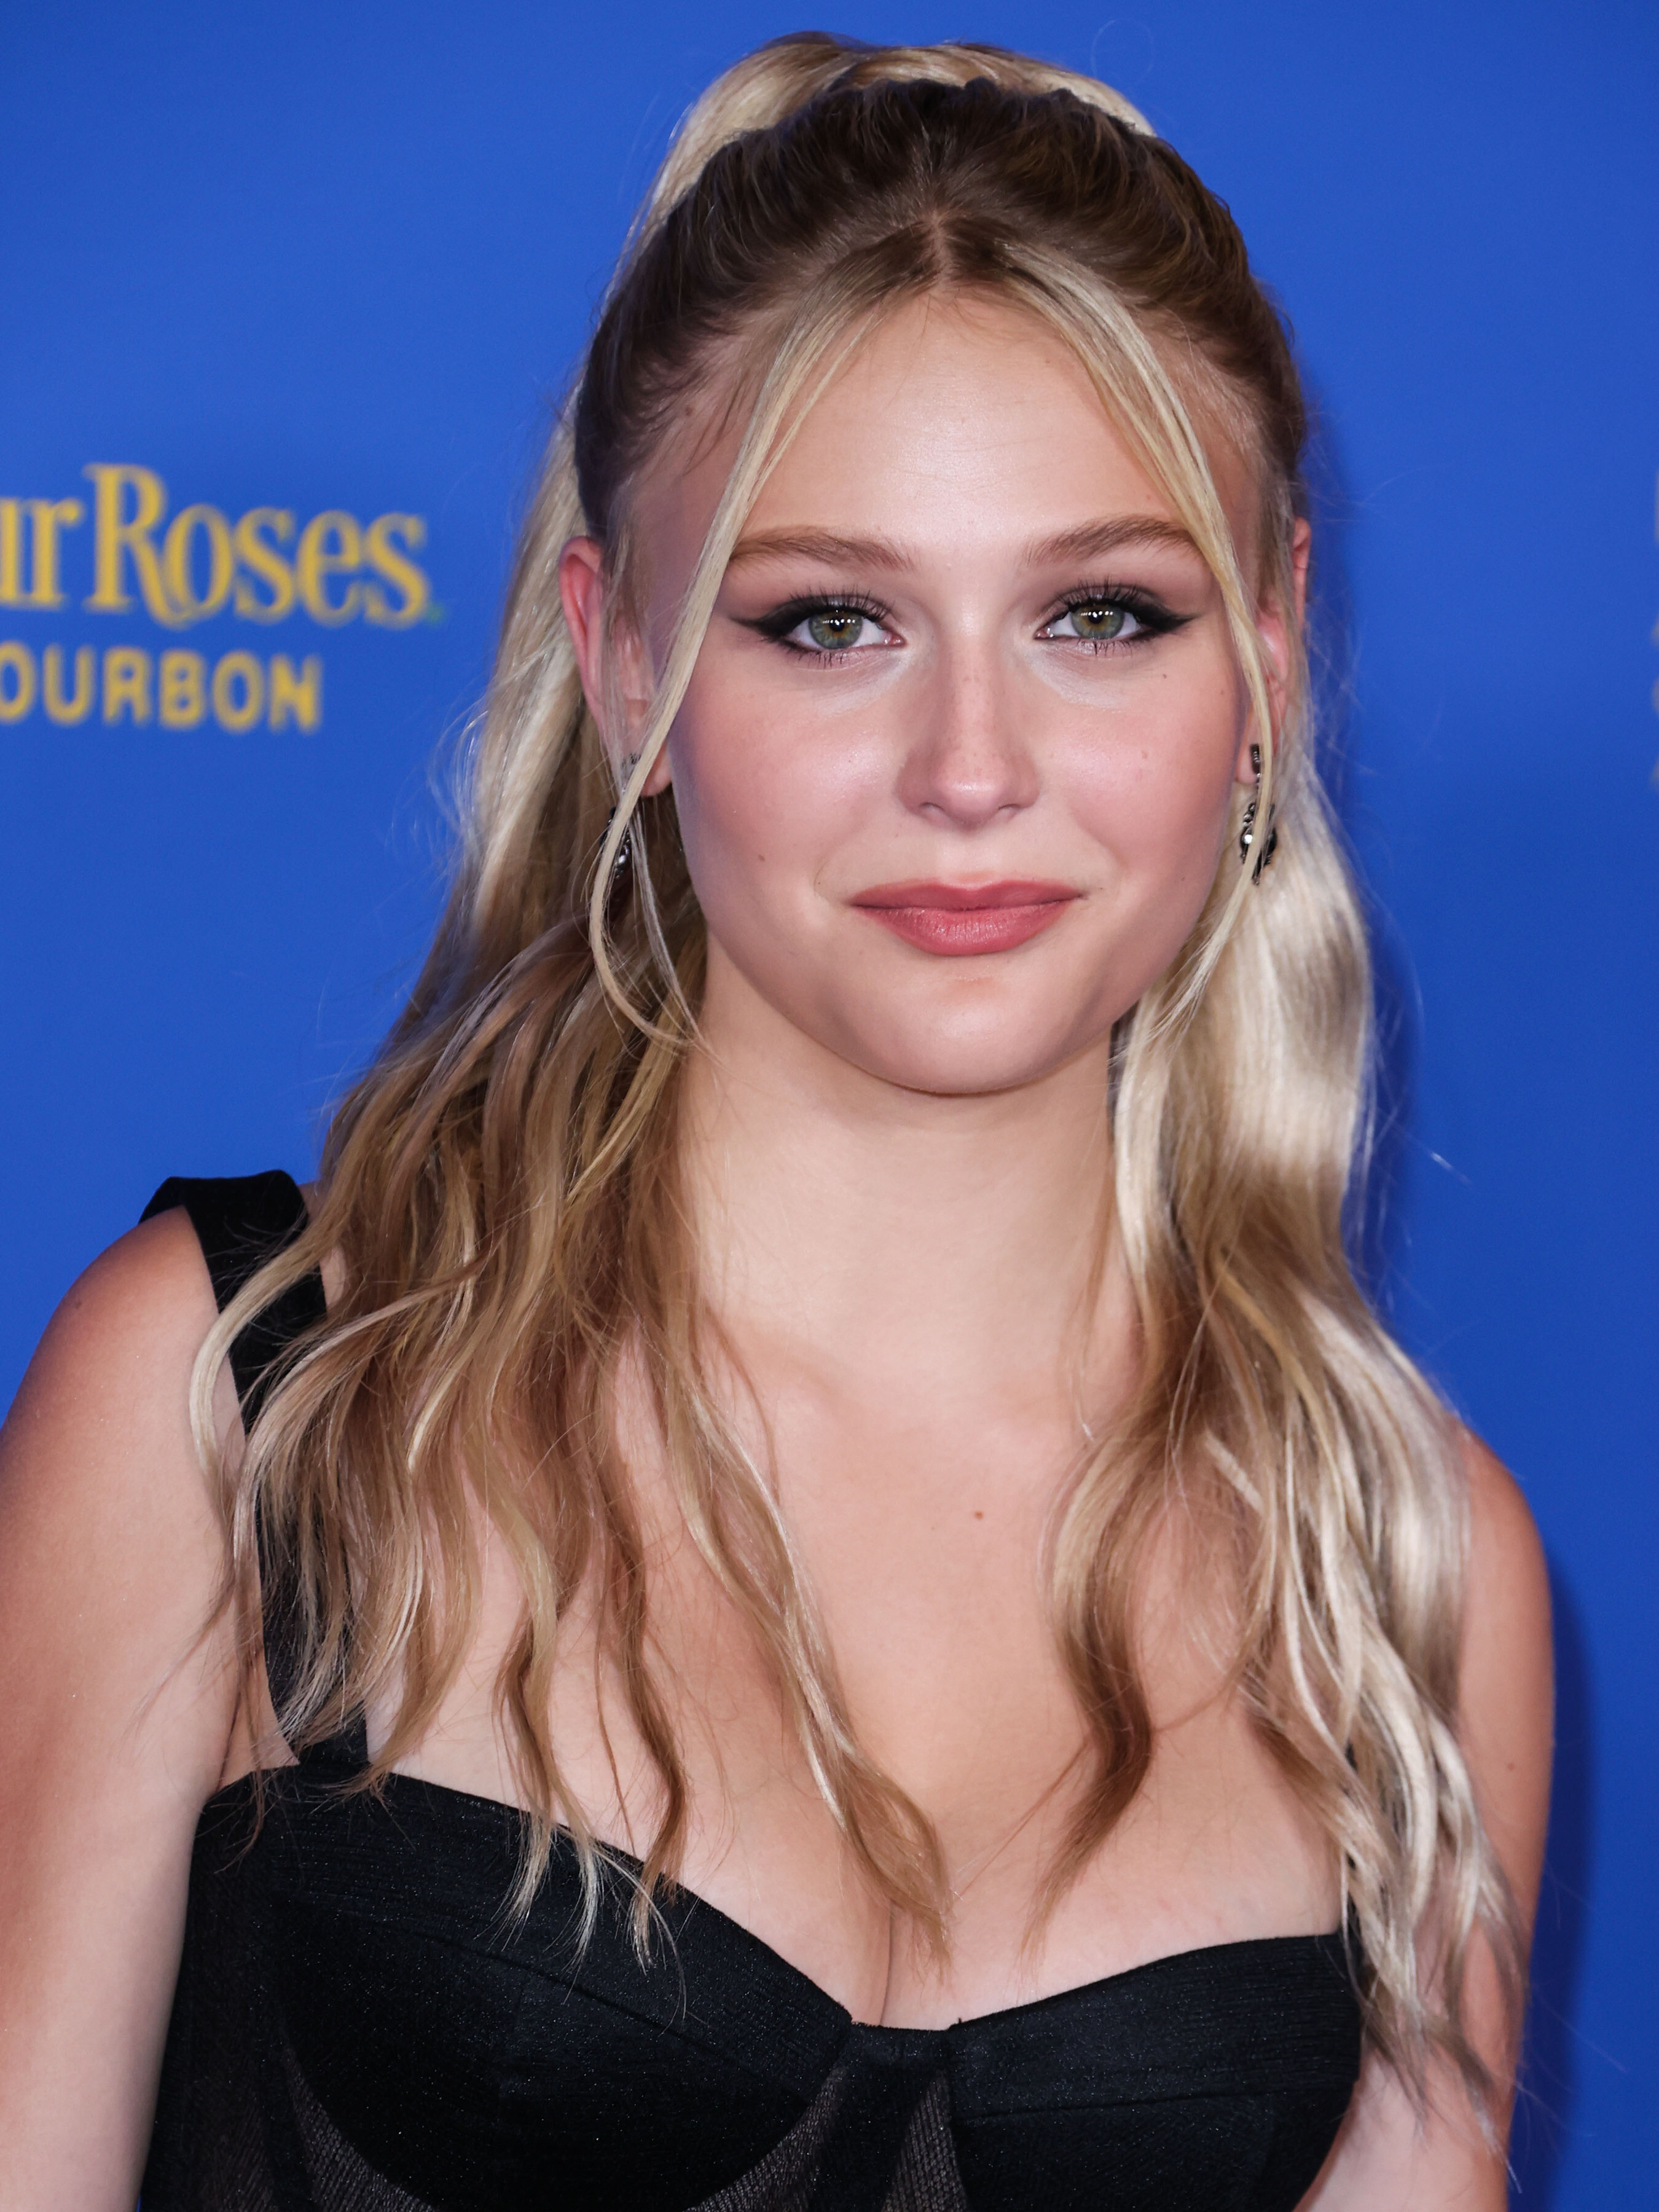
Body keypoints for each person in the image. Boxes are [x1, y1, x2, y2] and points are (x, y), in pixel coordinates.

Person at [0, 33, 1551, 2212]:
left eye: (1100, 615)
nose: (969, 767)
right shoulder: (246, 1406)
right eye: (830, 622)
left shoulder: (1397, 1569)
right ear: (625, 665)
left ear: (1270, 661)